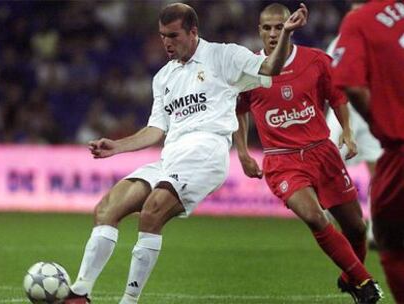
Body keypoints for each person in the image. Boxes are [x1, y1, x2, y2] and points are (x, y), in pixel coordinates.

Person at [64, 3, 308, 304]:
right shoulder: (163, 78)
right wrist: (117, 146)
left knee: (153, 210)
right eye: (162, 35)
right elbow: (155, 130)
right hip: (171, 156)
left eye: (173, 35)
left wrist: (286, 33)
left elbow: (271, 68)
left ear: (193, 33)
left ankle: (128, 301)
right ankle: (79, 294)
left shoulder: (224, 56)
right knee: (106, 208)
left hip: (207, 151)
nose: (166, 42)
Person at [233, 3, 383, 304]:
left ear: (289, 26)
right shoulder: (248, 69)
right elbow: (238, 111)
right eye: (268, 28)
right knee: (315, 217)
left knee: (356, 227)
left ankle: (348, 277)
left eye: (279, 26)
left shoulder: (316, 60)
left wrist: (348, 132)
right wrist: (243, 153)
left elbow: (337, 96)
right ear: (259, 31)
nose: (274, 33)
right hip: (282, 159)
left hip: (321, 152)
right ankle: (365, 282)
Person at [331, 0, 404, 302]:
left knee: (393, 241)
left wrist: (382, 123)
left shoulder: (360, 22)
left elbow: (348, 84)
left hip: (396, 141)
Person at [325, 1, 383, 250]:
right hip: (343, 109)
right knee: (325, 165)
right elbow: (327, 78)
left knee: (380, 173)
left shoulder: (380, 42)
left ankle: (375, 231)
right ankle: (325, 219)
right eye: (353, 12)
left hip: (371, 109)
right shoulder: (340, 41)